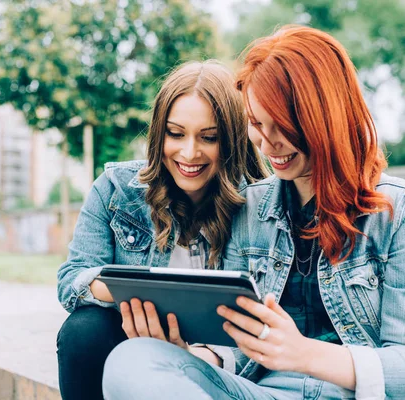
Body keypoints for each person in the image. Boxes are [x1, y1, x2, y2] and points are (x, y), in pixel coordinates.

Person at [101, 26, 405, 399]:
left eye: (282, 126)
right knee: (134, 358)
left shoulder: (398, 210)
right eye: (256, 124)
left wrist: (304, 353)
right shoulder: (249, 207)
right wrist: (193, 358)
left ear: (324, 116)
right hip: (263, 392)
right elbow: (235, 344)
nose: (267, 143)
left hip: (353, 394)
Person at [56, 60, 268, 400]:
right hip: (132, 334)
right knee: (83, 330)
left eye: (209, 137)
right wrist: (135, 296)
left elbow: (280, 316)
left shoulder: (261, 205)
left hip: (218, 360)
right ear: (159, 133)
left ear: (230, 140)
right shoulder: (115, 189)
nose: (189, 152)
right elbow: (71, 281)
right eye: (176, 133)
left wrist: (206, 356)